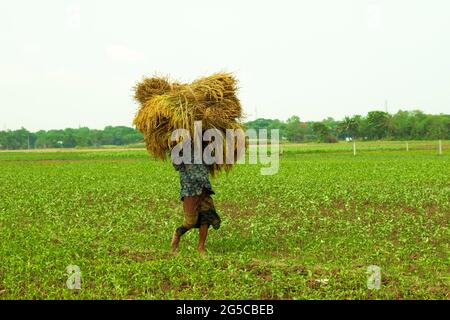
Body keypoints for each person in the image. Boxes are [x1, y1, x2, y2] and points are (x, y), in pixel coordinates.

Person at [170, 142, 221, 254]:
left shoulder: (204, 146)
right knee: (190, 221)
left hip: (204, 187)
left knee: (206, 217)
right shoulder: (180, 147)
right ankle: (178, 233)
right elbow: (176, 165)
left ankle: (201, 247)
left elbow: (212, 161)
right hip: (190, 189)